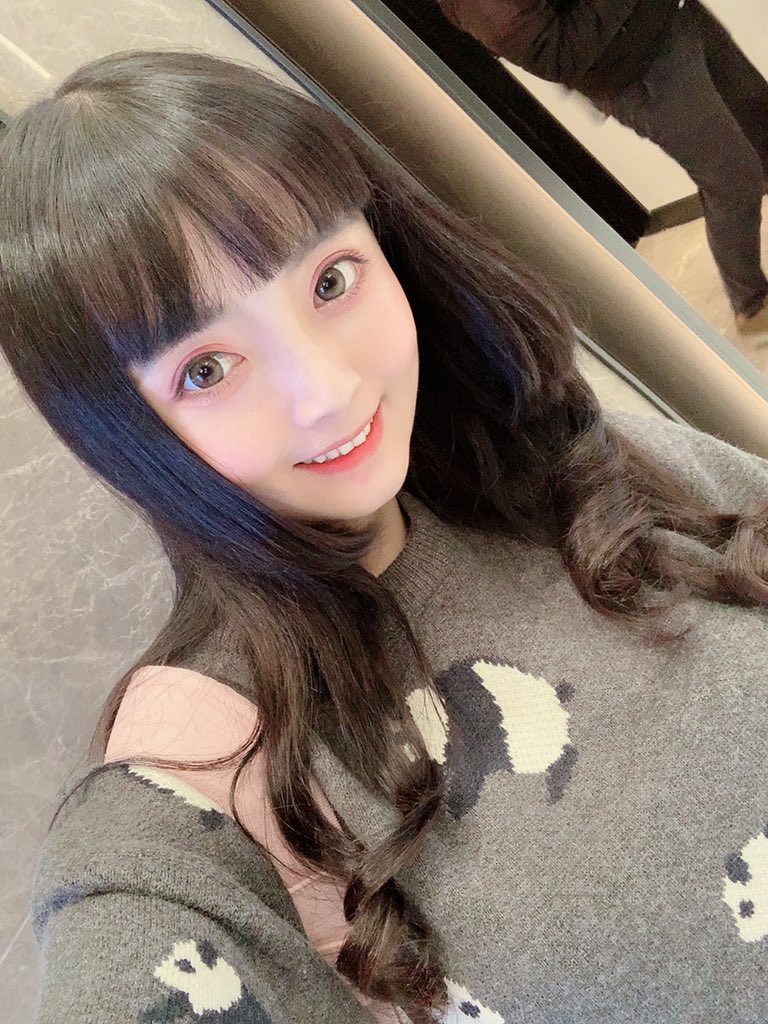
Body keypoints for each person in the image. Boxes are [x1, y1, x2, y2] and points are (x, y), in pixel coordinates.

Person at [1, 49, 767, 1024]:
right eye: (207, 369)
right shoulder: (209, 776)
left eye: (330, 281)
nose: (326, 392)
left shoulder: (553, 455)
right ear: (125, 430)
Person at [437, 0, 768, 334]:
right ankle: (752, 304)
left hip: (679, 18)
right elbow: (555, 54)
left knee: (758, 118)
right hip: (640, 72)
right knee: (733, 178)